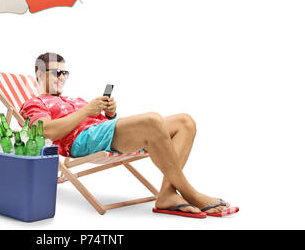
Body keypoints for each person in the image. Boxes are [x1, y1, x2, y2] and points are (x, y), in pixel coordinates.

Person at [19, 52, 239, 218]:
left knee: (185, 121)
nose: (62, 77)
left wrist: (110, 113)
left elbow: (108, 127)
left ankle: (167, 194)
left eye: (64, 72)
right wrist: (87, 111)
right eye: (55, 72)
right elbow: (44, 131)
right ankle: (190, 192)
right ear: (39, 74)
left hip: (101, 134)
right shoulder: (35, 103)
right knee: (152, 120)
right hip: (80, 142)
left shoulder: (74, 100)